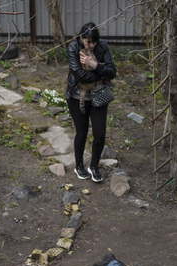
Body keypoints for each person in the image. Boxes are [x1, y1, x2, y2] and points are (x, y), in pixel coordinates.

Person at [65, 22, 117, 183]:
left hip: (98, 96)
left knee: (100, 133)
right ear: (81, 38)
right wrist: (101, 73)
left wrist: (94, 64)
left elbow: (113, 72)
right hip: (77, 97)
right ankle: (79, 165)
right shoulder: (73, 48)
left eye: (94, 41)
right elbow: (80, 75)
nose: (92, 45)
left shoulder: (102, 46)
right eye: (88, 42)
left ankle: (94, 166)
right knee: (81, 132)